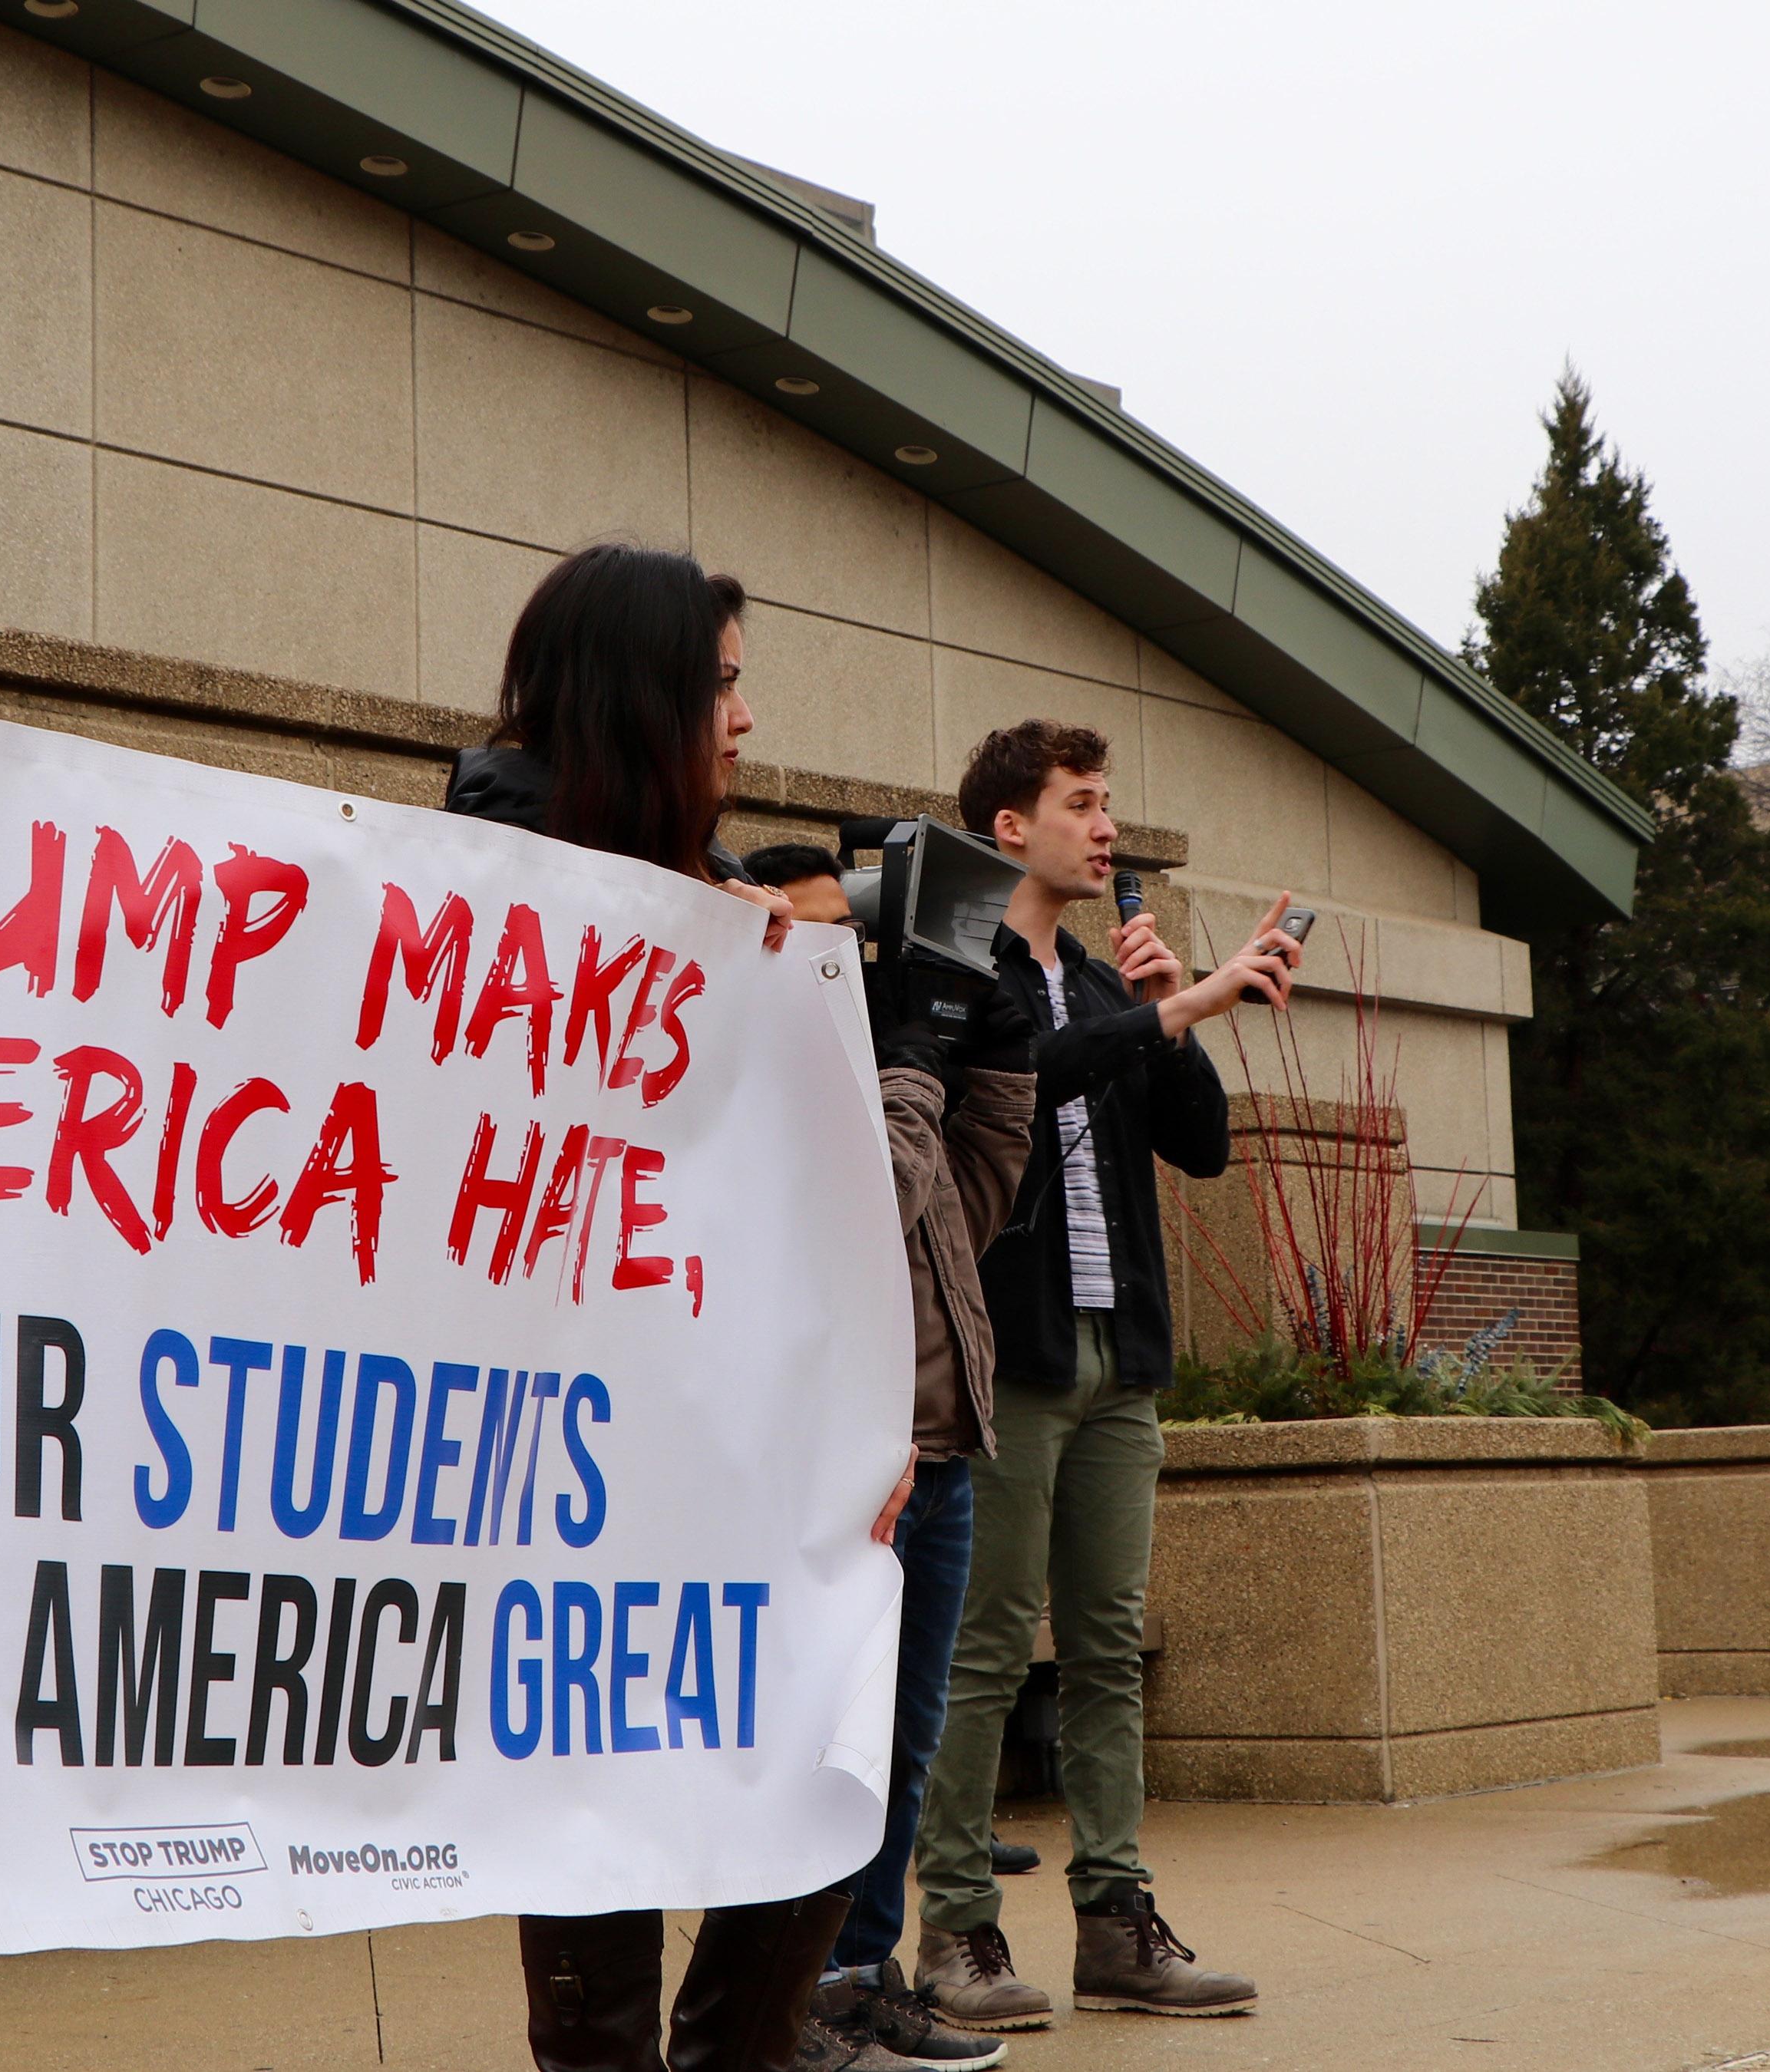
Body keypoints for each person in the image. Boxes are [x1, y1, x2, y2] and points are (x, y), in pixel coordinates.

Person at [445, 548, 910, 2072]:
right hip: (562, 1503)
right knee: (597, 1866)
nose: (748, 720)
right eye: (720, 685)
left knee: (820, 1774)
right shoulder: (484, 905)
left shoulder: (731, 920)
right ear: (641, 697)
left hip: (743, 1476)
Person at [912, 723, 1298, 2031]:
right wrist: (1166, 1011)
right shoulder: (960, 971)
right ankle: (955, 1931)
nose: (1107, 828)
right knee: (983, 1649)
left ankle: (1117, 1922)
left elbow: (1202, 1149)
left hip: (1116, 1354)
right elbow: (1037, 1071)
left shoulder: (1107, 980)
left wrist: (1170, 1017)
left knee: (1106, 1650)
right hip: (1010, 1356)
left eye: (1110, 804)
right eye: (1083, 804)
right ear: (1009, 827)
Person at [743, 845, 1030, 2071]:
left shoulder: (881, 1072)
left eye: (842, 947)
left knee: (902, 1748)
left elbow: (971, 1187)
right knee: (823, 1746)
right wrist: (914, 1057)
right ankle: (784, 1999)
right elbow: (878, 1195)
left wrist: (998, 1052)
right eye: (804, 945)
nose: (834, 972)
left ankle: (862, 1978)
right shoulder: (777, 1090)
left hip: (942, 1457)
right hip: (840, 1471)